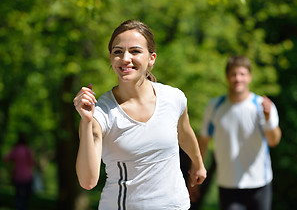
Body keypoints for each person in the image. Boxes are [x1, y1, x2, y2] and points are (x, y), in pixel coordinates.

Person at [73, 19, 206, 210]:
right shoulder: (100, 113)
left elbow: (184, 133)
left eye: (135, 51)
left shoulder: (173, 98)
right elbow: (88, 181)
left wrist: (198, 163)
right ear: (111, 58)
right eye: (118, 52)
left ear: (151, 58)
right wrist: (85, 123)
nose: (125, 58)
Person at [195, 55, 282, 210]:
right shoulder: (214, 107)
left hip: (259, 183)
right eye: (234, 74)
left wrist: (268, 119)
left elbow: (274, 141)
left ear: (249, 77)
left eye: (242, 74)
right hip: (228, 184)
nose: (238, 78)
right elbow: (203, 141)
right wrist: (196, 171)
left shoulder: (262, 106)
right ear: (227, 77)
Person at [4, 133, 35, 210]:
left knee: (18, 196)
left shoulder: (15, 149)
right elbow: (32, 163)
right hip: (28, 176)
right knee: (26, 198)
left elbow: (5, 159)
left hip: (17, 176)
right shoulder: (28, 150)